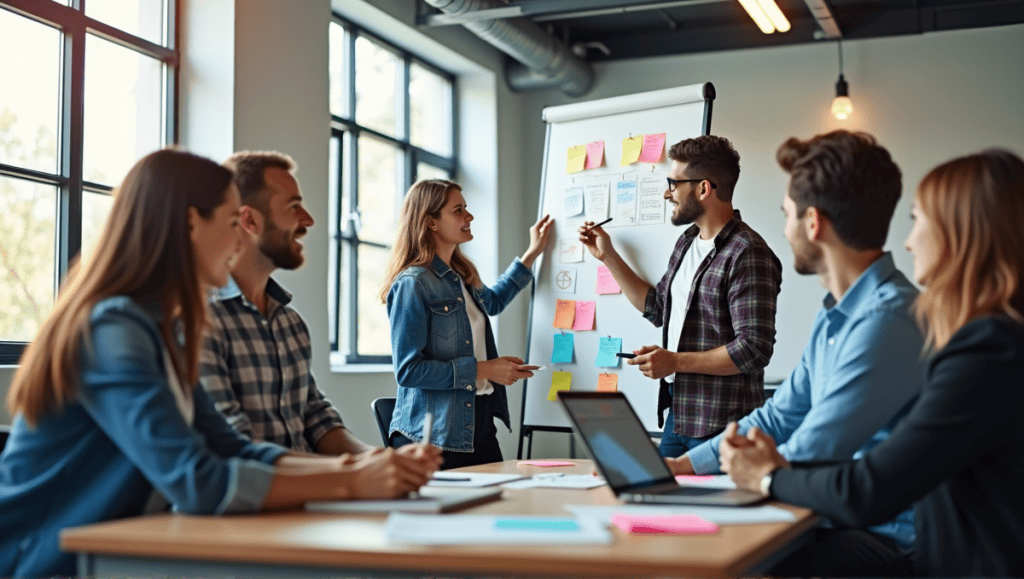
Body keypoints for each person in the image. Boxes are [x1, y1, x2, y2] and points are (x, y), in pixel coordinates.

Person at [0, 149, 441, 578]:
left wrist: (356, 469)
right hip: (42, 561)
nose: (237, 241)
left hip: (113, 552)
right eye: (232, 223)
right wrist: (351, 484)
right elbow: (197, 480)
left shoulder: (159, 327)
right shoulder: (113, 329)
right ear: (192, 223)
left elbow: (232, 447)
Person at [721, 149, 1024, 577]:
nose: (907, 241)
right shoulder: (995, 341)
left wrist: (767, 476)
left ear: (961, 233)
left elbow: (868, 489)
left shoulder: (989, 349)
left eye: (917, 220)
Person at [665, 131, 924, 551]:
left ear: (813, 222)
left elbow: (814, 448)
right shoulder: (837, 315)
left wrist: (743, 470)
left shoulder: (887, 321)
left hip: (879, 539)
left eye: (787, 214)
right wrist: (683, 466)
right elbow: (778, 417)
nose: (784, 229)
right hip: (831, 518)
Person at [578, 135, 782, 457]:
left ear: (703, 189)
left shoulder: (748, 253)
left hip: (723, 426)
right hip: (679, 415)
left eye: (673, 183)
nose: (666, 193)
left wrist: (674, 361)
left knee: (705, 508)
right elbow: (658, 308)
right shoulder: (687, 242)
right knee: (661, 504)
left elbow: (753, 350)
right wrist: (607, 257)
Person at [200, 151, 373, 455]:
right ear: (249, 219)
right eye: (294, 207)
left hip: (319, 491)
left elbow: (316, 416)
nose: (308, 220)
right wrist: (352, 474)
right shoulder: (203, 318)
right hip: (266, 496)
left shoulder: (290, 323)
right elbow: (231, 445)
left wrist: (377, 458)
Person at [381, 179, 552, 469]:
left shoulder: (460, 276)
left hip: (478, 423)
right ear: (431, 223)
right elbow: (408, 371)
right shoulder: (413, 284)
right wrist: (487, 369)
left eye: (466, 208)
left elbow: (494, 301)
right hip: (434, 436)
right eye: (458, 210)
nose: (468, 216)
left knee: (498, 504)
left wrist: (532, 254)